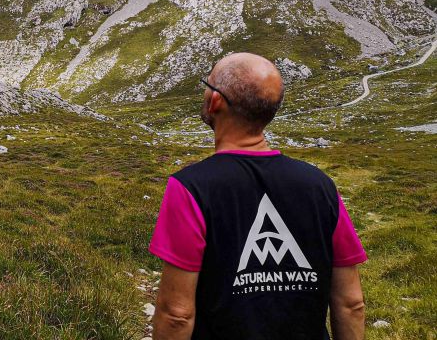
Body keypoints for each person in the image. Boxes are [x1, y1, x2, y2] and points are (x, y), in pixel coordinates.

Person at [148, 53, 367, 340]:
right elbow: (351, 304)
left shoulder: (189, 188)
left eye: (207, 84)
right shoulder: (320, 186)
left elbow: (176, 314)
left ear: (215, 101)